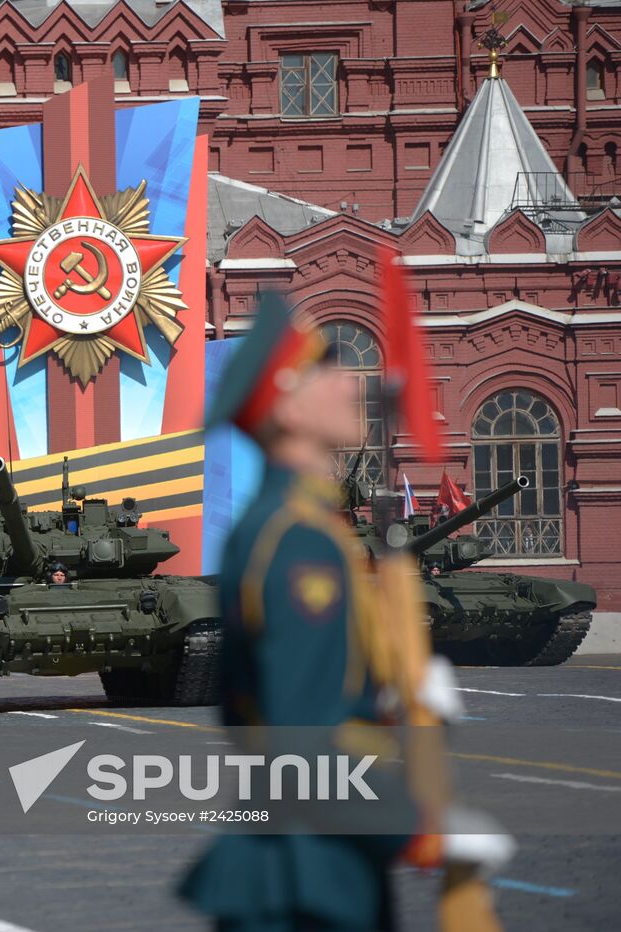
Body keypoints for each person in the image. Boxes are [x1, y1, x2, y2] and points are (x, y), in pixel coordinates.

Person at [179, 293, 511, 931]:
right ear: (287, 404)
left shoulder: (303, 529)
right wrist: (418, 831)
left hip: (321, 859)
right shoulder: (295, 543)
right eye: (327, 368)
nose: (351, 382)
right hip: (304, 879)